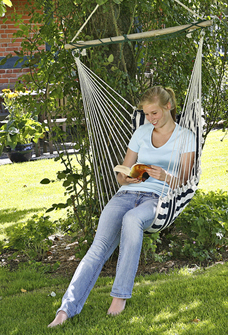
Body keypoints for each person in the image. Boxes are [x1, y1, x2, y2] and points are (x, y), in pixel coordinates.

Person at [48, 86, 196, 328]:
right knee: (98, 248)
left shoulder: (186, 137)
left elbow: (184, 180)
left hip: (157, 199)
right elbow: (123, 171)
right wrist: (125, 177)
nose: (151, 119)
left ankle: (119, 298)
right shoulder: (141, 132)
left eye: (155, 113)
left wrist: (163, 175)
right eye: (147, 114)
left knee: (132, 220)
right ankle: (66, 309)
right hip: (127, 194)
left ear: (168, 107)